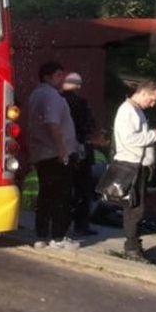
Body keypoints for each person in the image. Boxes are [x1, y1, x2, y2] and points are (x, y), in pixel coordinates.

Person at [112, 80, 156, 262]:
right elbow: (130, 139)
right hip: (132, 165)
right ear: (144, 93)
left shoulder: (136, 110)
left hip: (139, 165)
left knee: (137, 207)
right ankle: (131, 247)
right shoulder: (127, 111)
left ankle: (133, 243)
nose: (153, 104)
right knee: (135, 208)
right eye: (152, 100)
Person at [27, 61, 80, 250]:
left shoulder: (35, 94)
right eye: (58, 75)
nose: (61, 79)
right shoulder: (51, 96)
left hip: (42, 153)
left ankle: (41, 235)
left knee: (46, 195)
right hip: (56, 154)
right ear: (47, 77)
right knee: (61, 196)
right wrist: (63, 152)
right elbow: (53, 124)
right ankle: (58, 237)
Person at [61, 72, 100, 237]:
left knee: (63, 188)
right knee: (82, 188)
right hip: (80, 149)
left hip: (60, 149)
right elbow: (88, 126)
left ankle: (62, 222)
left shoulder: (57, 100)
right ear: (78, 86)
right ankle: (81, 224)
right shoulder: (80, 103)